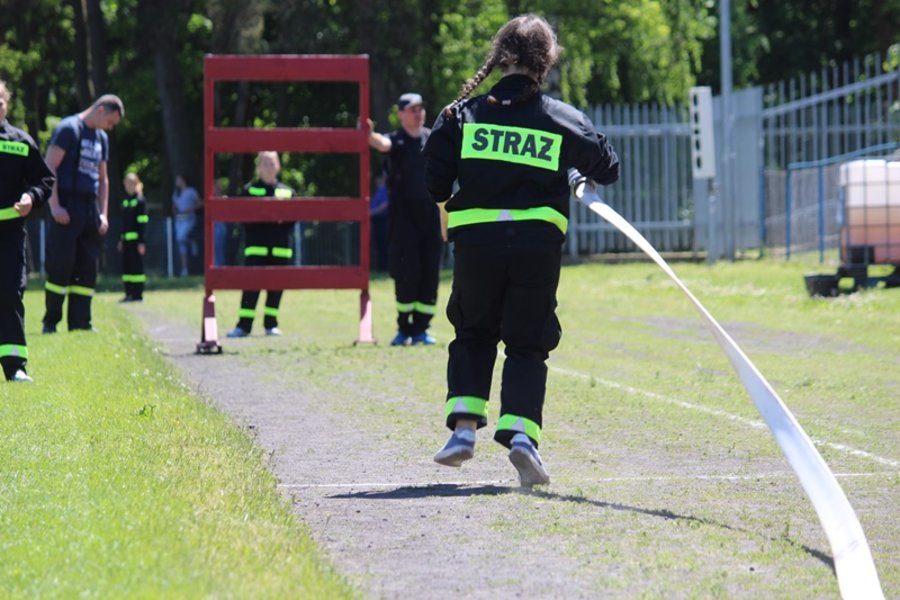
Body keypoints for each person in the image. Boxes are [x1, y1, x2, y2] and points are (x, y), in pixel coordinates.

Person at [423, 14, 620, 487]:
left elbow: (434, 182)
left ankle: (464, 432)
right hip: (536, 248)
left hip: (476, 247)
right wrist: (570, 168)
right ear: (546, 62)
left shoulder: (459, 116)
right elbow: (608, 166)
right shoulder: (561, 118)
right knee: (528, 342)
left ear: (501, 57)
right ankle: (522, 440)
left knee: (473, 332)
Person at [42, 93, 124, 334]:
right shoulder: (68, 129)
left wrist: (103, 214)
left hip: (90, 208)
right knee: (61, 264)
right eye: (110, 122)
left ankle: (81, 323)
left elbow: (103, 178)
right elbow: (49, 167)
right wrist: (55, 206)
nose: (110, 128)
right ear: (101, 110)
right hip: (67, 204)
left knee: (87, 266)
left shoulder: (101, 138)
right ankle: (51, 321)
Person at [368, 92, 443, 346]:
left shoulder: (433, 138)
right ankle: (404, 328)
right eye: (412, 109)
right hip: (403, 222)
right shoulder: (396, 141)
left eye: (421, 108)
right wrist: (367, 134)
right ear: (400, 114)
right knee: (406, 273)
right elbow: (380, 144)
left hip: (431, 219)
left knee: (430, 273)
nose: (418, 113)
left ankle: (421, 329)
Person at [0, 80, 55, 382]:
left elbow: (44, 180)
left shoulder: (21, 142)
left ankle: (14, 365)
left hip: (9, 232)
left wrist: (31, 198)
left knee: (9, 294)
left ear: (6, 103)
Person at [226, 151, 296, 338]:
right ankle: (243, 326)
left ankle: (271, 325)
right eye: (265, 163)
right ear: (258, 167)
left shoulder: (288, 192)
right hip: (256, 248)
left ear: (278, 166)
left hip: (281, 249)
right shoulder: (249, 190)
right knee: (251, 286)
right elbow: (242, 217)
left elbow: (293, 219)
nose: (269, 167)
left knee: (276, 287)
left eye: (272, 163)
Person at [117, 172, 148, 302]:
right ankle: (128, 293)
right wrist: (121, 239)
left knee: (137, 268)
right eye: (126, 183)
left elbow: (142, 223)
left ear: (136, 184)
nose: (128, 185)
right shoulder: (125, 201)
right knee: (127, 268)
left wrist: (141, 241)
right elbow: (123, 223)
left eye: (130, 183)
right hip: (126, 241)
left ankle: (138, 294)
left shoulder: (140, 201)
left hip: (136, 241)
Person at [172, 173, 201, 276]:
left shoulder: (191, 191)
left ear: (183, 180)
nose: (176, 182)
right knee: (181, 244)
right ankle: (185, 269)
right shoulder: (176, 193)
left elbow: (200, 203)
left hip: (189, 219)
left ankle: (191, 242)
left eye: (178, 180)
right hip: (179, 220)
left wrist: (189, 210)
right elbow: (174, 206)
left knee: (181, 237)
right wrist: (175, 212)